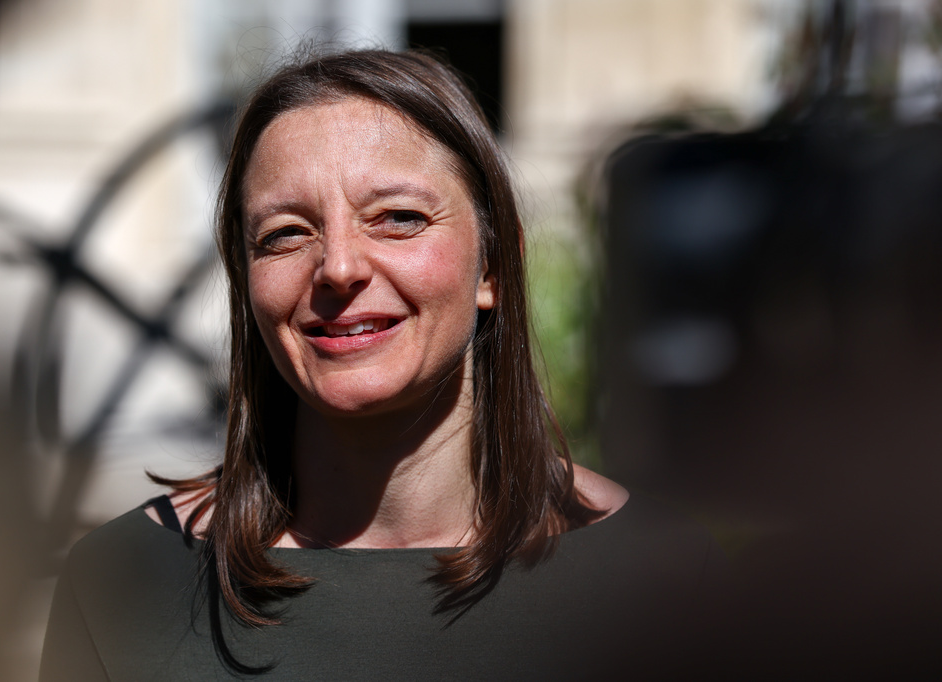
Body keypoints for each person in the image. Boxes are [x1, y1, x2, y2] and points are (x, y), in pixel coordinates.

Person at [40, 49, 725, 681]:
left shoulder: (665, 580)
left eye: (397, 218)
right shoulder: (123, 582)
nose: (338, 266)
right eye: (285, 235)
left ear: (495, 264)